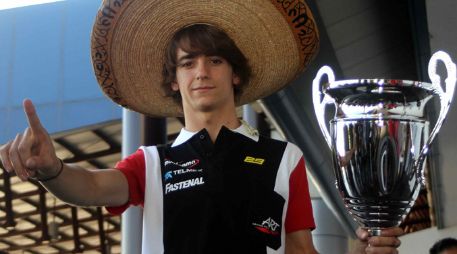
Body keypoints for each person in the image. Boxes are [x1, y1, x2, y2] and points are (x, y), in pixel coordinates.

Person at [0, 0, 403, 253]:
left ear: (235, 75)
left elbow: (300, 249)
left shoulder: (285, 159)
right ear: (174, 80)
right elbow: (89, 188)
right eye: (187, 63)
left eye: (215, 60)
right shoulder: (153, 162)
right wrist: (52, 169)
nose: (201, 72)